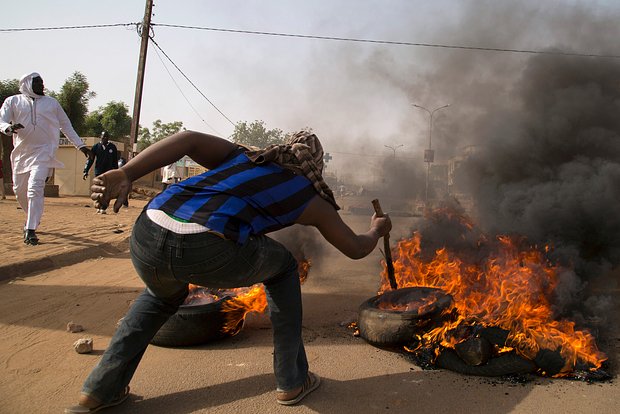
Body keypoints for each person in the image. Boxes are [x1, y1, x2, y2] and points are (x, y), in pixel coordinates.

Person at [65, 130, 391, 413]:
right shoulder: (310, 198)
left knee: (161, 295)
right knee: (284, 267)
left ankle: (99, 390)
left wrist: (127, 173)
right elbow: (356, 248)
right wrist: (376, 229)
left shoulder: (242, 157)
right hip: (206, 245)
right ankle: (292, 380)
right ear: (315, 167)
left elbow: (187, 139)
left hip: (147, 231)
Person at [0, 72, 91, 245]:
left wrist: (81, 146)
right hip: (21, 153)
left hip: (44, 151)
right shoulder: (13, 101)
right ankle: (32, 218)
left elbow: (66, 125)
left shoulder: (51, 103)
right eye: (38, 83)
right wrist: (8, 128)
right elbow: (1, 120)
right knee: (20, 191)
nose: (42, 86)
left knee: (35, 187)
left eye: (42, 83)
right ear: (27, 84)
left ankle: (30, 229)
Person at [83, 131, 118, 214]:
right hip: (98, 172)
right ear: (100, 137)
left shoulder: (112, 147)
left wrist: (116, 173)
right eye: (103, 137)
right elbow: (90, 159)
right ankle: (98, 206)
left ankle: (104, 207)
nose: (105, 138)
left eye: (106, 137)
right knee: (98, 190)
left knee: (107, 190)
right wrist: (85, 170)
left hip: (109, 173)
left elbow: (115, 161)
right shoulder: (96, 147)